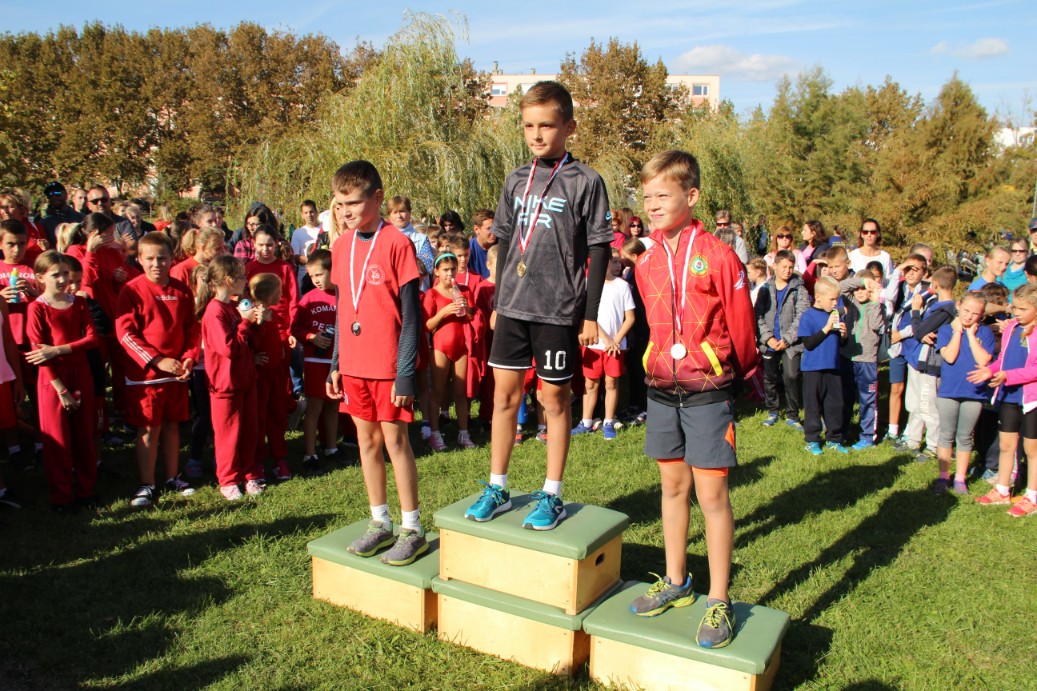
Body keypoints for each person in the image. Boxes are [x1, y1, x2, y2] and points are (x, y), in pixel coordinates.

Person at [463, 80, 612, 531]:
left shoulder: (586, 180)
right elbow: (507, 242)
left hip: (558, 310)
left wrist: (590, 314)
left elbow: (599, 248)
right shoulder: (515, 179)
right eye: (528, 126)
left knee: (554, 400)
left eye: (546, 125)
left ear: (569, 127)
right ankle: (497, 486)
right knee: (504, 397)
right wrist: (499, 296)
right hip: (513, 306)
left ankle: (552, 493)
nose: (536, 134)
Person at [626, 149, 757, 650]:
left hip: (708, 392)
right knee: (672, 488)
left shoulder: (720, 255)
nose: (653, 205)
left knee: (712, 496)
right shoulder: (645, 261)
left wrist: (735, 373)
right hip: (661, 389)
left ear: (692, 195)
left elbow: (742, 326)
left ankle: (719, 599)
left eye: (663, 195)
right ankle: (676, 580)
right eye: (647, 197)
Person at [326, 159, 427, 566]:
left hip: (388, 367)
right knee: (366, 443)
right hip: (354, 366)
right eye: (339, 204)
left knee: (396, 443)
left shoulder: (397, 243)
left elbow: (411, 316)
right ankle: (380, 522)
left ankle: (412, 528)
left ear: (377, 198)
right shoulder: (340, 246)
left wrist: (405, 374)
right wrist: (336, 361)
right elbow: (342, 309)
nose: (345, 212)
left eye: (353, 202)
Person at [115, 233, 199, 507]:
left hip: (176, 373)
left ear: (171, 259)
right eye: (150, 258)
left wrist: (188, 358)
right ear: (139, 260)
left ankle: (172, 476)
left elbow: (192, 329)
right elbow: (126, 334)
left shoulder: (181, 290)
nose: (156, 264)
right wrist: (156, 360)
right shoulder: (131, 291)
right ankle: (147, 483)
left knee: (172, 426)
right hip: (146, 377)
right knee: (149, 428)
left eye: (162, 258)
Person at [25, 251, 97, 511]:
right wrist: (61, 390)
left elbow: (92, 339)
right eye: (55, 275)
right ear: (40, 277)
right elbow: (39, 355)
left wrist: (57, 349)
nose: (63, 279)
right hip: (52, 380)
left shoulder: (78, 303)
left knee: (84, 434)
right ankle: (61, 497)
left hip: (80, 372)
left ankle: (86, 490)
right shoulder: (37, 308)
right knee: (58, 440)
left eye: (66, 273)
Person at [968, 284, 1037, 517]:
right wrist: (990, 370)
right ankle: (1002, 489)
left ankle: (1032, 496)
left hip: (1031, 398)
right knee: (1007, 445)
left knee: (1031, 449)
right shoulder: (1011, 328)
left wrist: (1008, 376)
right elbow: (1003, 360)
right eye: (1014, 307)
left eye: (1023, 309)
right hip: (1009, 395)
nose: (1017, 313)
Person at [198, 255, 261, 500]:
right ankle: (228, 479)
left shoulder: (233, 306)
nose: (246, 281)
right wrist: (245, 323)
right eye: (242, 277)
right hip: (225, 384)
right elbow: (228, 349)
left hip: (245, 379)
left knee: (248, 431)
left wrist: (256, 322)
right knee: (228, 435)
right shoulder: (214, 311)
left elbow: (246, 343)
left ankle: (249, 473)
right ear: (228, 280)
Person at [932, 292, 995, 494]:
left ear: (982, 315)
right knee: (946, 434)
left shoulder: (985, 333)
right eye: (966, 310)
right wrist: (958, 332)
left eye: (975, 314)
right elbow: (949, 357)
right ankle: (943, 476)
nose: (969, 316)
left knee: (965, 436)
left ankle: (960, 478)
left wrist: (970, 335)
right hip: (949, 391)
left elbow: (983, 360)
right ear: (958, 306)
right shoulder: (946, 330)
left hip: (974, 392)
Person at [572, 249, 635, 441]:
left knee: (611, 383)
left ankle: (608, 421)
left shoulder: (623, 286)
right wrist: (606, 339)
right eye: (613, 261)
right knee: (590, 384)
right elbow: (587, 316)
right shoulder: (588, 284)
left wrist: (616, 340)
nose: (617, 265)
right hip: (594, 344)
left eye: (618, 262)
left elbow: (630, 317)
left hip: (615, 347)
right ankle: (586, 421)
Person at [897, 267, 958, 461]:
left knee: (928, 406)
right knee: (914, 403)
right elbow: (923, 332)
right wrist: (922, 332)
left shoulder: (946, 310)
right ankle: (913, 439)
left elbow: (919, 330)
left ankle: (933, 445)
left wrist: (915, 311)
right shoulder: (938, 306)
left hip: (930, 363)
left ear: (935, 285)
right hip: (918, 361)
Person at [292, 249, 341, 476]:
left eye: (320, 274)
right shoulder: (308, 299)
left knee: (333, 405)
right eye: (312, 276)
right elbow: (296, 328)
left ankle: (331, 447)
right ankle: (310, 454)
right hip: (314, 360)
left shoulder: (344, 295)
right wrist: (311, 337)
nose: (316, 280)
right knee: (315, 406)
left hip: (337, 361)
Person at [423, 252, 475, 451]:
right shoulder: (432, 294)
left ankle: (464, 433)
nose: (450, 273)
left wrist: (466, 307)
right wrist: (444, 312)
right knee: (438, 391)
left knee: (461, 392)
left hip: (461, 347)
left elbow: (471, 316)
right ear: (436, 271)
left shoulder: (463, 290)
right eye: (445, 270)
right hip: (440, 348)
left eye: (453, 269)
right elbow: (427, 325)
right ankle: (435, 434)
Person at [756, 249, 810, 429]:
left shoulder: (799, 289)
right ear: (775, 265)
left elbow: (802, 316)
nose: (787, 270)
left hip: (791, 343)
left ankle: (792, 414)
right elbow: (758, 316)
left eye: (791, 267)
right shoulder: (765, 289)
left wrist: (787, 339)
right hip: (770, 342)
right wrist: (767, 338)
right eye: (784, 266)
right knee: (770, 377)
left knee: (791, 376)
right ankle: (772, 410)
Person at [248, 272, 292, 483]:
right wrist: (253, 357)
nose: (281, 295)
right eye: (279, 291)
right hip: (260, 376)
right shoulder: (254, 315)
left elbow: (275, 335)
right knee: (259, 418)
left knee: (277, 416)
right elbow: (249, 340)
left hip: (276, 373)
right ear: (268, 294)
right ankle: (257, 461)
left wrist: (280, 346)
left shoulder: (271, 313)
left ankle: (279, 458)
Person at [798, 276, 849, 454]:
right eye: (832, 299)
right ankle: (812, 439)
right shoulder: (808, 316)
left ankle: (835, 439)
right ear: (818, 297)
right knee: (813, 406)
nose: (835, 303)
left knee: (835, 405)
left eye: (837, 299)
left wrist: (843, 335)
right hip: (813, 369)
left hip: (833, 366)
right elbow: (808, 344)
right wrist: (826, 328)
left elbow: (841, 344)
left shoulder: (834, 315)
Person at [885, 254, 930, 443]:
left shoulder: (927, 293)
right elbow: (888, 298)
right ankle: (892, 429)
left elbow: (922, 321)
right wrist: (898, 270)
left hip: (913, 344)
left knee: (915, 389)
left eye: (915, 269)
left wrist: (901, 334)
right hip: (897, 346)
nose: (910, 273)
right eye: (907, 269)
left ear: (924, 273)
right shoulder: (899, 288)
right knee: (896, 386)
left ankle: (910, 430)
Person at [841, 269, 885, 449]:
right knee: (845, 397)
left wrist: (875, 302)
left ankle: (867, 436)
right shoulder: (851, 301)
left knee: (867, 399)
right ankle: (842, 431)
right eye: (857, 288)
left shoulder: (878, 306)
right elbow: (840, 287)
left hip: (867, 360)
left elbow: (876, 325)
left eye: (864, 288)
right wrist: (860, 281)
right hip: (847, 357)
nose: (859, 292)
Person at [387, 196, 435, 278]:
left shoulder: (421, 239)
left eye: (402, 211)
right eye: (395, 212)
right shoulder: (382, 238)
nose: (399, 216)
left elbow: (429, 266)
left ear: (409, 213)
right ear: (389, 215)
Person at [291, 200, 324, 286]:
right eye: (306, 213)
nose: (309, 215)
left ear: (316, 212)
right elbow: (295, 256)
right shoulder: (298, 232)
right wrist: (312, 261)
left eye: (311, 212)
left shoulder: (325, 229)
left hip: (323, 275)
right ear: (302, 215)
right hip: (304, 276)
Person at [467, 209, 496, 280]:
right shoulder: (469, 250)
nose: (493, 232)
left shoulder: (501, 246)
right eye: (489, 228)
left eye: (495, 227)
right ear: (476, 229)